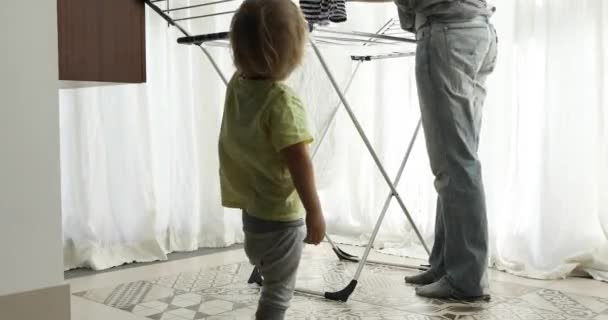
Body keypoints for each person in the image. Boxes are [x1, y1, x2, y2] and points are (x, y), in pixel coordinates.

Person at [355, 0, 498, 300]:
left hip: (448, 34)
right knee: (459, 157)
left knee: (455, 163)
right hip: (476, 30)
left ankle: (466, 279)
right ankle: (447, 264)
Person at [218, 0, 326, 318]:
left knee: (270, 280)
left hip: (252, 216)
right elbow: (299, 162)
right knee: (278, 292)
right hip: (282, 218)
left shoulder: (237, 86)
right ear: (295, 52)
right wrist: (315, 212)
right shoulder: (282, 101)